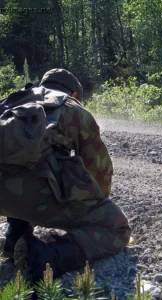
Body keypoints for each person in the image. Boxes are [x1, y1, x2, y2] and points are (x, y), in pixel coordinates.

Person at [0, 68, 131, 282]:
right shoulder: (71, 107)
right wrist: (95, 205)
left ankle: (13, 239)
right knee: (118, 228)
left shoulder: (11, 101)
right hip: (37, 197)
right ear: (76, 94)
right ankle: (46, 257)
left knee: (19, 166)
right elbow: (99, 170)